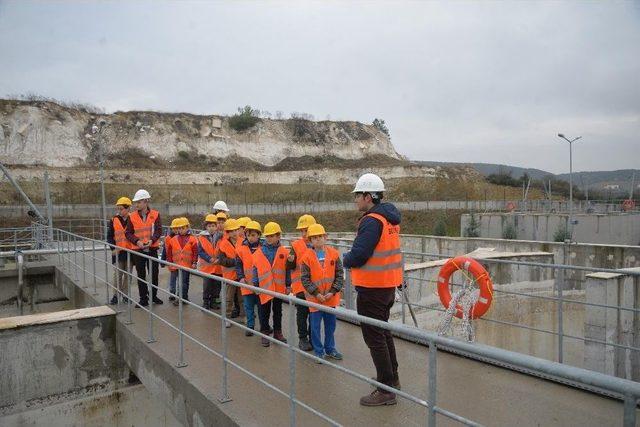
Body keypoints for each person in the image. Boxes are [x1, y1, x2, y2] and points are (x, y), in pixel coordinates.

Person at [342, 173, 402, 407]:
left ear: (369, 196)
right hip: (386, 286)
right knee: (384, 334)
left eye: (358, 195)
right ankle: (391, 380)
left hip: (372, 289)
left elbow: (359, 255)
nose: (356, 200)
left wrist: (344, 259)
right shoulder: (389, 219)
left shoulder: (371, 220)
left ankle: (386, 390)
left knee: (375, 338)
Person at [300, 224, 344, 362]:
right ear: (310, 241)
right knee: (315, 327)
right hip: (315, 300)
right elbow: (305, 279)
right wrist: (316, 293)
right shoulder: (306, 257)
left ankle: (330, 349)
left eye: (320, 236)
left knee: (330, 326)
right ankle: (319, 352)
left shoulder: (334, 254)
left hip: (330, 298)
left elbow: (339, 275)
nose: (318, 240)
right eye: (314, 238)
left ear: (325, 237)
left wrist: (332, 291)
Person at [252, 221, 290, 347]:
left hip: (278, 288)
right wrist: (255, 285)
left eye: (272, 236)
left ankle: (278, 332)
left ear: (278, 236)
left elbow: (287, 269)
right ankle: (264, 332)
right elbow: (255, 269)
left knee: (278, 311)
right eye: (267, 236)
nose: (269, 238)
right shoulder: (259, 252)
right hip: (264, 288)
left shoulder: (284, 252)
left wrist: (288, 285)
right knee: (264, 311)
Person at [125, 189, 164, 307]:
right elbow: (128, 233)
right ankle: (143, 299)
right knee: (141, 275)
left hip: (152, 249)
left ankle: (153, 296)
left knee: (154, 274)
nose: (136, 204)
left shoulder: (155, 215)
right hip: (138, 250)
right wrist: (137, 242)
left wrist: (152, 240)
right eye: (136, 202)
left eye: (139, 202)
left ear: (146, 201)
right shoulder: (131, 217)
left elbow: (158, 230)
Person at [286, 214, 316, 351]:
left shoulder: (318, 243)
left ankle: (313, 338)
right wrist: (290, 261)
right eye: (302, 231)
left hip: (315, 287)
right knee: (303, 314)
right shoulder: (296, 245)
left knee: (314, 314)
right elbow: (289, 266)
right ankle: (303, 338)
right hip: (300, 287)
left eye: (307, 230)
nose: (304, 234)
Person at [106, 197, 135, 305]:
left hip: (130, 252)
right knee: (117, 275)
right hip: (118, 253)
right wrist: (113, 248)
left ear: (128, 209)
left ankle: (126, 296)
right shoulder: (114, 220)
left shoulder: (134, 219)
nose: (119, 211)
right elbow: (109, 237)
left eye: (122, 208)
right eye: (118, 208)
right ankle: (115, 296)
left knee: (128, 275)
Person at [236, 220, 262, 336]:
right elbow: (238, 265)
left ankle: (264, 326)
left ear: (258, 235)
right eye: (248, 235)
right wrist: (240, 277)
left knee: (262, 308)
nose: (250, 238)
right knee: (248, 307)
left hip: (261, 285)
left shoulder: (263, 248)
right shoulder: (241, 249)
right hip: (246, 283)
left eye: (253, 235)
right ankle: (250, 326)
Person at [165, 217, 198, 305]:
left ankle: (184, 297)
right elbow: (169, 253)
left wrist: (194, 262)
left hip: (187, 265)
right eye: (179, 228)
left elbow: (195, 252)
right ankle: (181, 298)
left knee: (185, 282)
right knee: (181, 282)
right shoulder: (173, 239)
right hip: (177, 264)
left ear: (187, 227)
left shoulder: (192, 239)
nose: (181, 230)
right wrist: (169, 262)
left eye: (183, 228)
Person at [217, 218, 243, 326]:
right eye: (230, 231)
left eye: (235, 230)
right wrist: (235, 261)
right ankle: (226, 317)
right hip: (229, 276)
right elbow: (222, 260)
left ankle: (243, 316)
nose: (233, 233)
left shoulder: (243, 242)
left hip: (241, 276)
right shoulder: (223, 244)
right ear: (227, 232)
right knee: (229, 299)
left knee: (242, 298)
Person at [197, 214, 220, 310]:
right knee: (207, 285)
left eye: (213, 226)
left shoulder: (220, 236)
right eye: (209, 226)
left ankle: (213, 301)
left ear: (216, 226)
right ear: (206, 226)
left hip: (218, 266)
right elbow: (200, 251)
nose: (211, 228)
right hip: (207, 266)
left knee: (216, 285)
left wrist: (218, 259)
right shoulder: (201, 237)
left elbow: (223, 249)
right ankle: (206, 302)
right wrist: (209, 259)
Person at [161, 222, 178, 300]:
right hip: (172, 261)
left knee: (181, 279)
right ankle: (172, 293)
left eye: (177, 228)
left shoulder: (183, 238)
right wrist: (162, 260)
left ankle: (180, 293)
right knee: (173, 277)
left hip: (182, 262)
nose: (176, 230)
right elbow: (165, 249)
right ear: (171, 229)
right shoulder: (168, 238)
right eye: (174, 228)